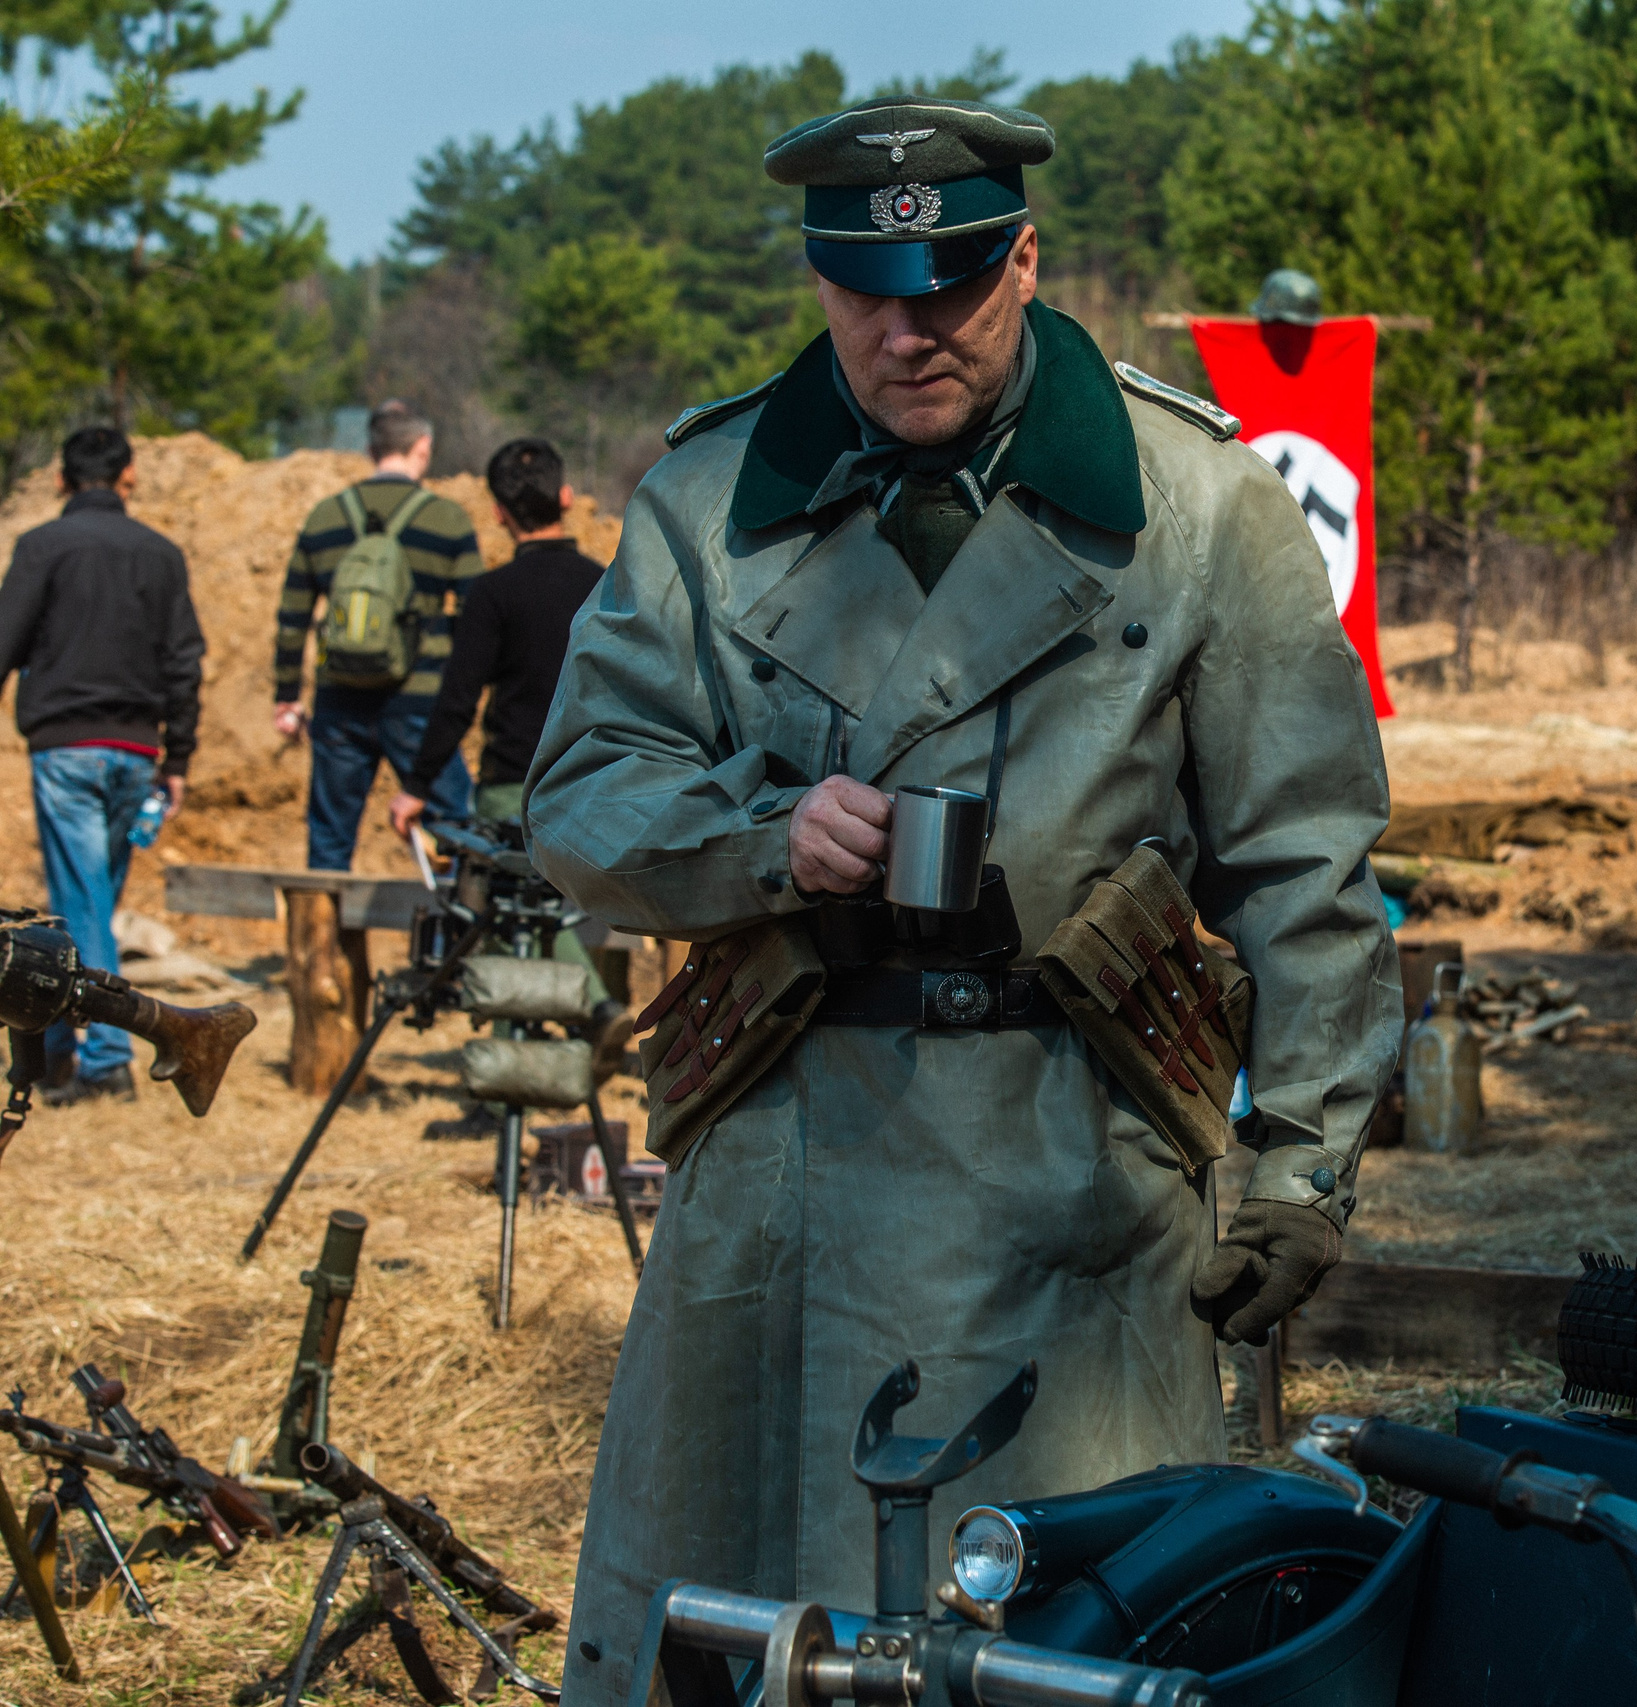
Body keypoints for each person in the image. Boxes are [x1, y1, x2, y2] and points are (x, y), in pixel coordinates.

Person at [524, 96, 1400, 1699]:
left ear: (1027, 258)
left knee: (1067, 1639)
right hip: (783, 1176)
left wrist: (1303, 1158)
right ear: (818, 283)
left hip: (1076, 1169)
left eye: (954, 286)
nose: (908, 330)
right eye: (868, 293)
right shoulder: (709, 499)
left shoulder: (1191, 501)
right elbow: (579, 803)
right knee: (745, 1630)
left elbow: (1308, 858)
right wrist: (765, 830)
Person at [387, 437, 620, 1047]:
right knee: (543, 912)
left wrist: (415, 788)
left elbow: (456, 701)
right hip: (592, 785)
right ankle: (559, 1038)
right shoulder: (606, 586)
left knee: (499, 911)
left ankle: (579, 1018)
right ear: (567, 499)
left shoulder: (492, 594)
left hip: (512, 787)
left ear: (497, 512)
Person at [0, 427, 204, 1103]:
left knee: (80, 900)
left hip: (66, 746)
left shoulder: (41, 547)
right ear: (129, 476)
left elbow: (4, 643)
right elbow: (184, 662)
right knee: (87, 901)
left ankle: (108, 1055)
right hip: (137, 751)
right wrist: (177, 757)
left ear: (61, 479)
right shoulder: (161, 553)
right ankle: (56, 1044)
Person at [272, 400, 481, 870]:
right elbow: (474, 621)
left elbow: (292, 617)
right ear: (422, 447)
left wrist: (287, 694)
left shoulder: (324, 517)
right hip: (420, 703)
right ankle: (459, 938)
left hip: (338, 702)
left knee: (329, 837)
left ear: (371, 449)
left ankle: (320, 943)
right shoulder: (447, 520)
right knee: (459, 830)